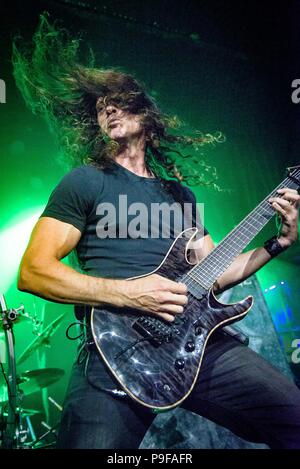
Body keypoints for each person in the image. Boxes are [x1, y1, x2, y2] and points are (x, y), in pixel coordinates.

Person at [14, 15, 300, 449]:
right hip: (117, 349)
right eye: (99, 107)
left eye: (115, 102)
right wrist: (129, 294)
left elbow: (215, 273)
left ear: (144, 112)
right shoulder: (86, 181)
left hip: (198, 346)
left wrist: (276, 243)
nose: (106, 109)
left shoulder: (180, 195)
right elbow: (33, 272)